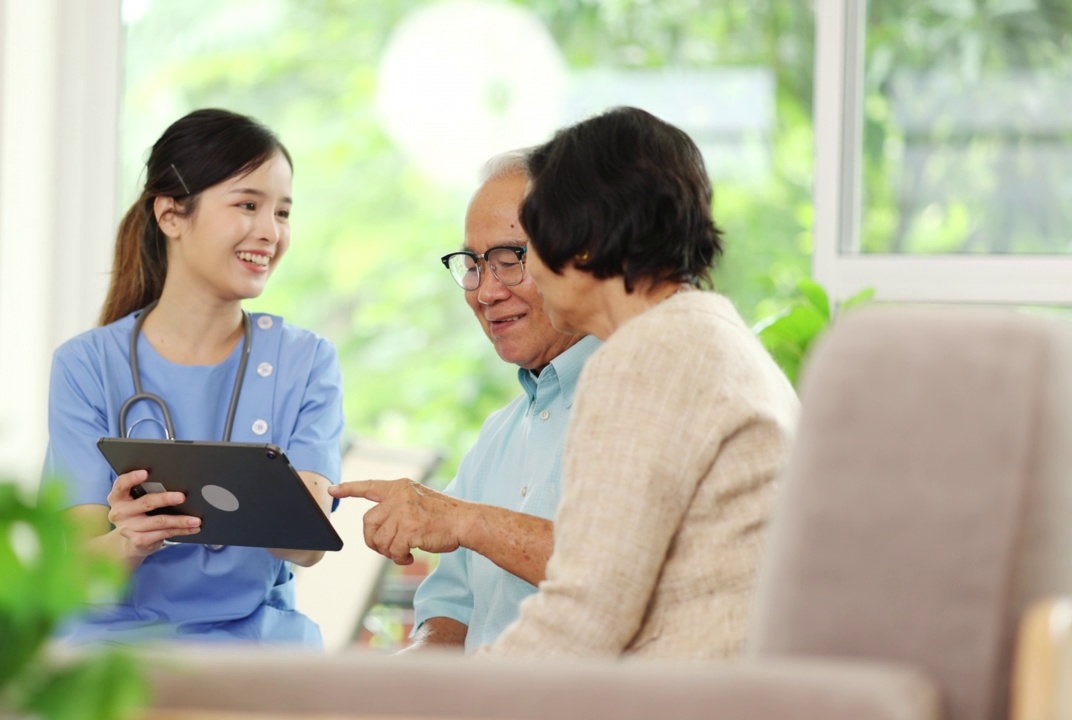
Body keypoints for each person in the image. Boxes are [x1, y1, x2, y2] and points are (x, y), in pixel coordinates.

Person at [475, 106, 799, 660]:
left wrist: (440, 699)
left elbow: (583, 616)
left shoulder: (647, 355)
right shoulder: (707, 332)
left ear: (582, 242)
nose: (494, 287)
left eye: (527, 249)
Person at [42, 108, 344, 647]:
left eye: (283, 212)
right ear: (171, 215)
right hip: (117, 644)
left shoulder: (306, 362)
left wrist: (267, 505)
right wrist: (131, 540)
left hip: (257, 643)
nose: (270, 232)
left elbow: (308, 544)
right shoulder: (87, 366)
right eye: (248, 205)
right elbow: (75, 573)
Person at [328, 150, 600, 653]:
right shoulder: (499, 433)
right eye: (472, 264)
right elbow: (448, 613)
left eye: (508, 260)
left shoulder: (639, 404)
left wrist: (466, 520)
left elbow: (617, 572)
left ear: (575, 255)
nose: (485, 291)